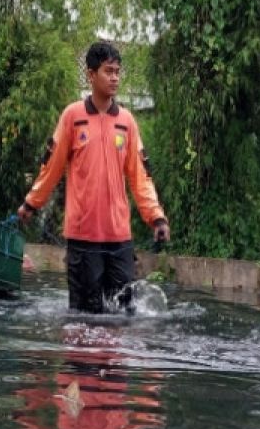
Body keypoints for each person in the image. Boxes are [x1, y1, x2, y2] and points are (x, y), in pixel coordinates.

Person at [17, 41, 170, 313]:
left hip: (119, 240)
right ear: (91, 75)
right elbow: (50, 167)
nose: (114, 78)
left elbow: (140, 177)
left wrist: (156, 217)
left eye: (117, 72)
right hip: (83, 239)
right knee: (84, 318)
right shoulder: (72, 117)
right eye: (108, 71)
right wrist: (32, 203)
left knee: (124, 316)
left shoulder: (127, 121)